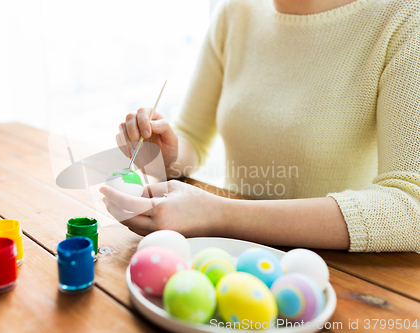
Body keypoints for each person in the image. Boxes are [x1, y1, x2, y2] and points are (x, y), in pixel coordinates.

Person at [100, 0, 420, 252]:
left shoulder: (402, 18)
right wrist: (167, 155)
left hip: (338, 273)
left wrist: (218, 215)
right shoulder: (235, 13)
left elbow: (411, 208)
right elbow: (193, 138)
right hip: (232, 253)